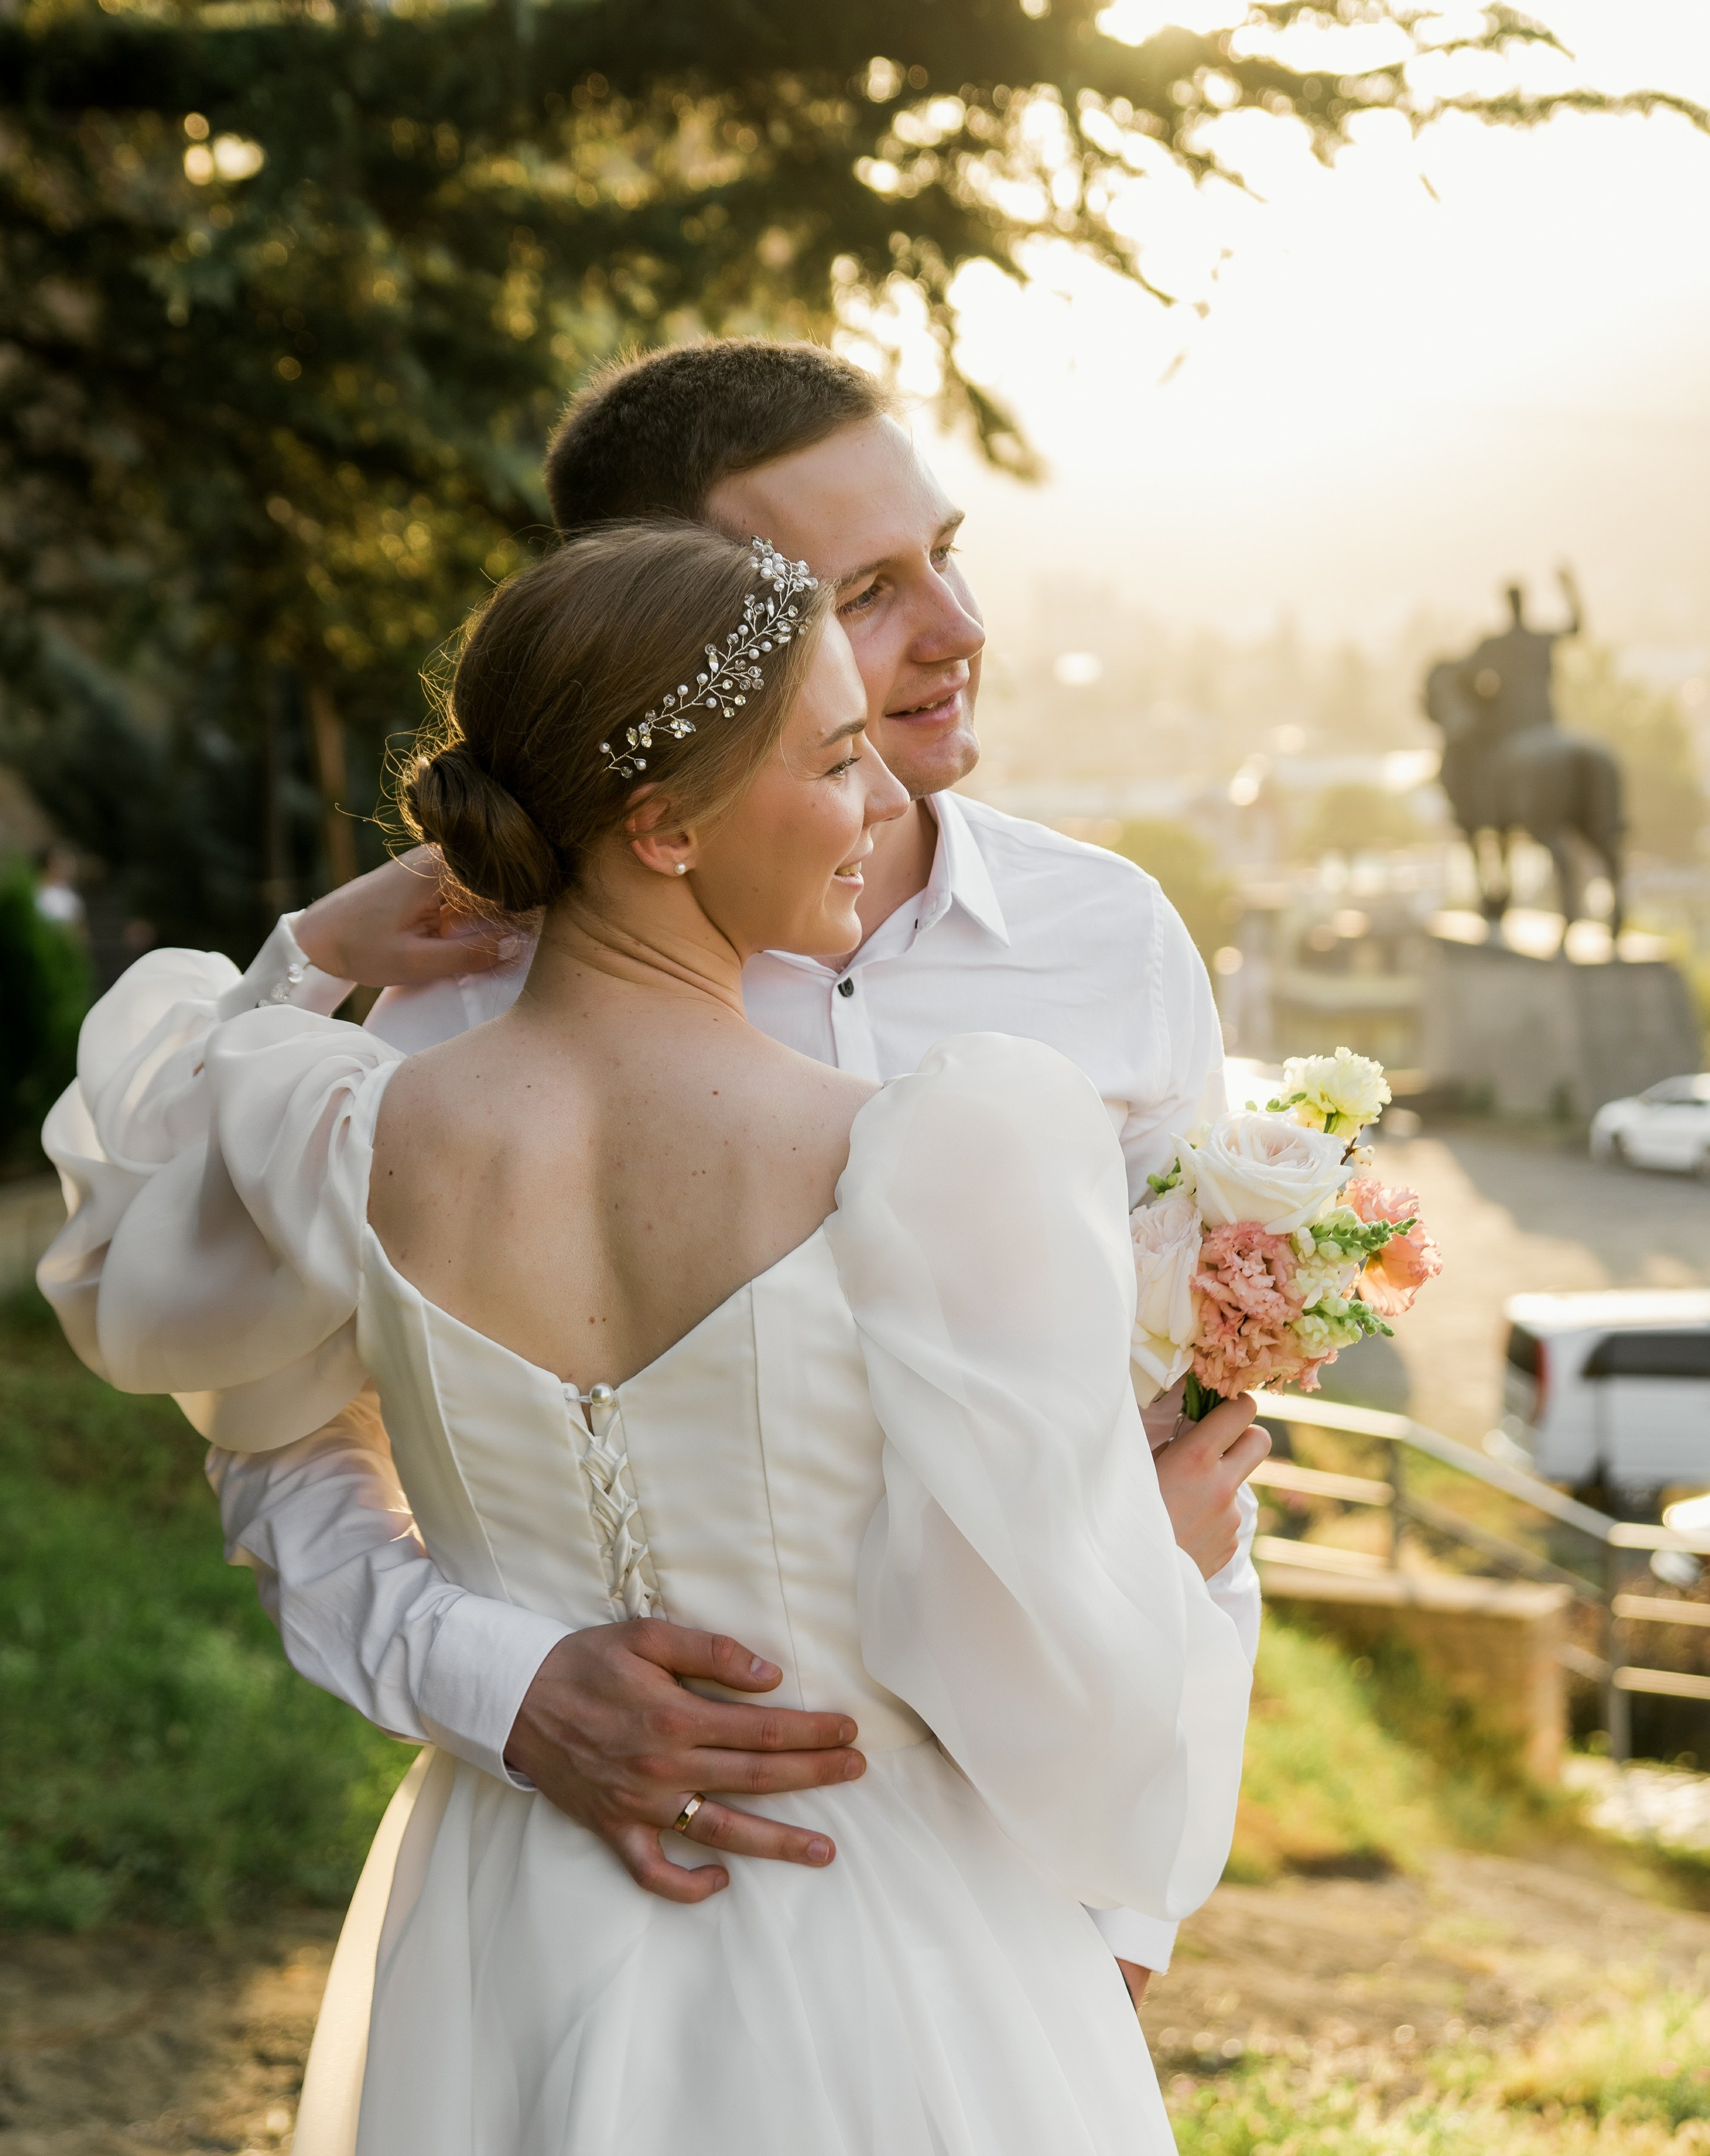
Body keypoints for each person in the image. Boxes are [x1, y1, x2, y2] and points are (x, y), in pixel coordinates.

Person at [41, 338, 1266, 1997]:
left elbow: (1192, 1454)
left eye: (947, 555)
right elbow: (269, 1429)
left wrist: (1119, 1923)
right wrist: (502, 1683)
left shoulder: (1104, 942)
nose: (959, 631)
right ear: (672, 614)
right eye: (867, 592)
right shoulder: (446, 998)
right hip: (561, 1911)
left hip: (988, 1936)